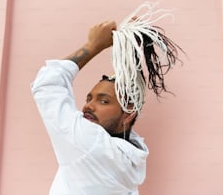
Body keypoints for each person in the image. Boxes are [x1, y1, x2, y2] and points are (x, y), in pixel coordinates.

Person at [31, 21, 149, 195]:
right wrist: (129, 52)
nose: (88, 106)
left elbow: (46, 84)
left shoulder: (90, 143)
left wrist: (94, 45)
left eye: (103, 101)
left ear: (129, 114)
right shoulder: (130, 159)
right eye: (89, 98)